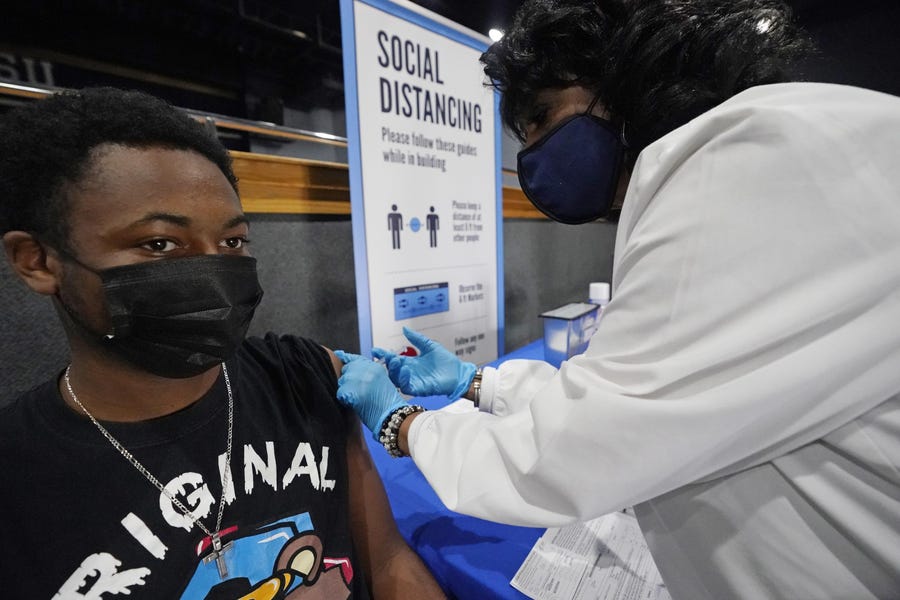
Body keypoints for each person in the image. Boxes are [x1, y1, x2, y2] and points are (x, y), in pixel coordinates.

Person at [335, 0, 900, 598]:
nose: (533, 156)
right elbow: (643, 393)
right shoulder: (743, 152)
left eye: (543, 116)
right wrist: (478, 383)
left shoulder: (740, 164)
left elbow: (579, 450)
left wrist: (401, 425)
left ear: (623, 71)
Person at [0, 88, 446, 599]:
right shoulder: (17, 480)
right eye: (159, 244)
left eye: (232, 242)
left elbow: (386, 561)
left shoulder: (303, 376)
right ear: (38, 261)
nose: (213, 270)